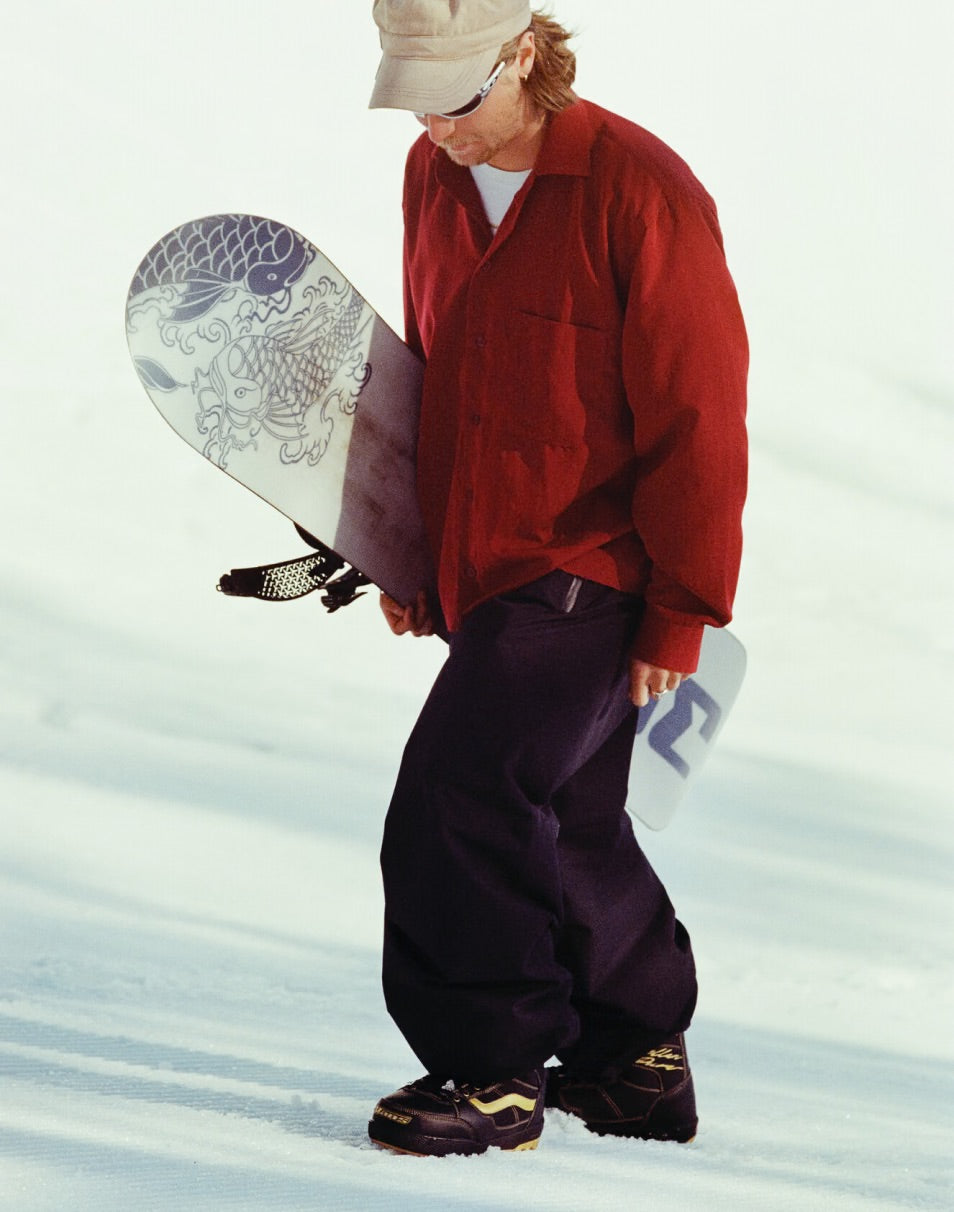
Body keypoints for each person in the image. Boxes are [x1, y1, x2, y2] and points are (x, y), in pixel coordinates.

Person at [366, 0, 748, 1157]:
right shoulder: (434, 179)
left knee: (458, 804)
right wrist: (411, 551)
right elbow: (435, 374)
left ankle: (490, 1073)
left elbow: (700, 417)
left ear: (525, 53)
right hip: (483, 568)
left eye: (460, 93)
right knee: (571, 820)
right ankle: (634, 1063)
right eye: (416, 96)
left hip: (593, 569)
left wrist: (682, 611)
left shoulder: (640, 190)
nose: (439, 124)